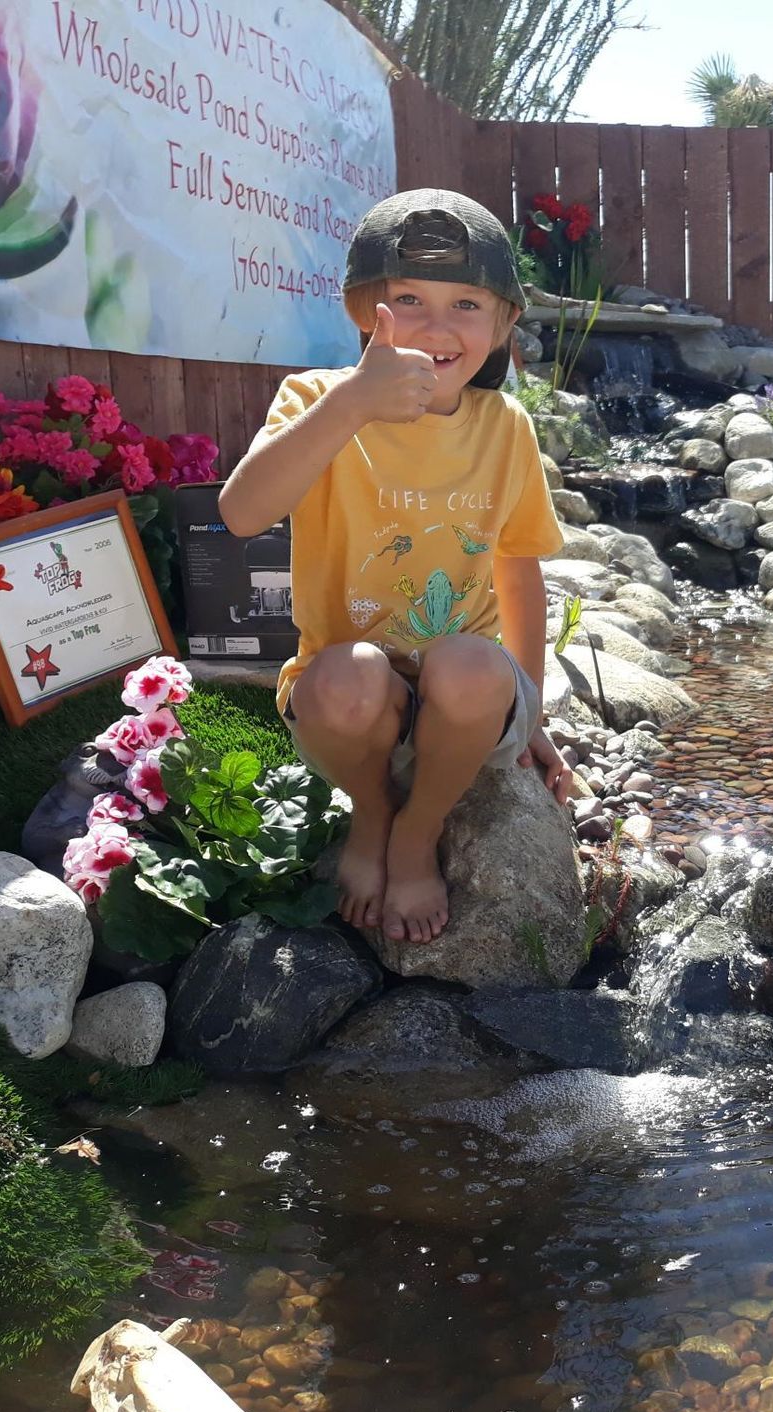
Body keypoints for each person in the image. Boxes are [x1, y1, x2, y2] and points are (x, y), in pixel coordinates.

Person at [220, 189, 569, 947]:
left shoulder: (505, 426)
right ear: (363, 309)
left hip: (466, 709)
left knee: (472, 664)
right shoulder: (317, 401)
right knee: (347, 674)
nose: (437, 327)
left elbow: (517, 570)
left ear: (507, 323)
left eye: (467, 305)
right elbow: (242, 513)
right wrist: (351, 406)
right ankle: (372, 813)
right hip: (349, 707)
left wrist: (531, 709)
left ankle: (418, 830)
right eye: (408, 298)